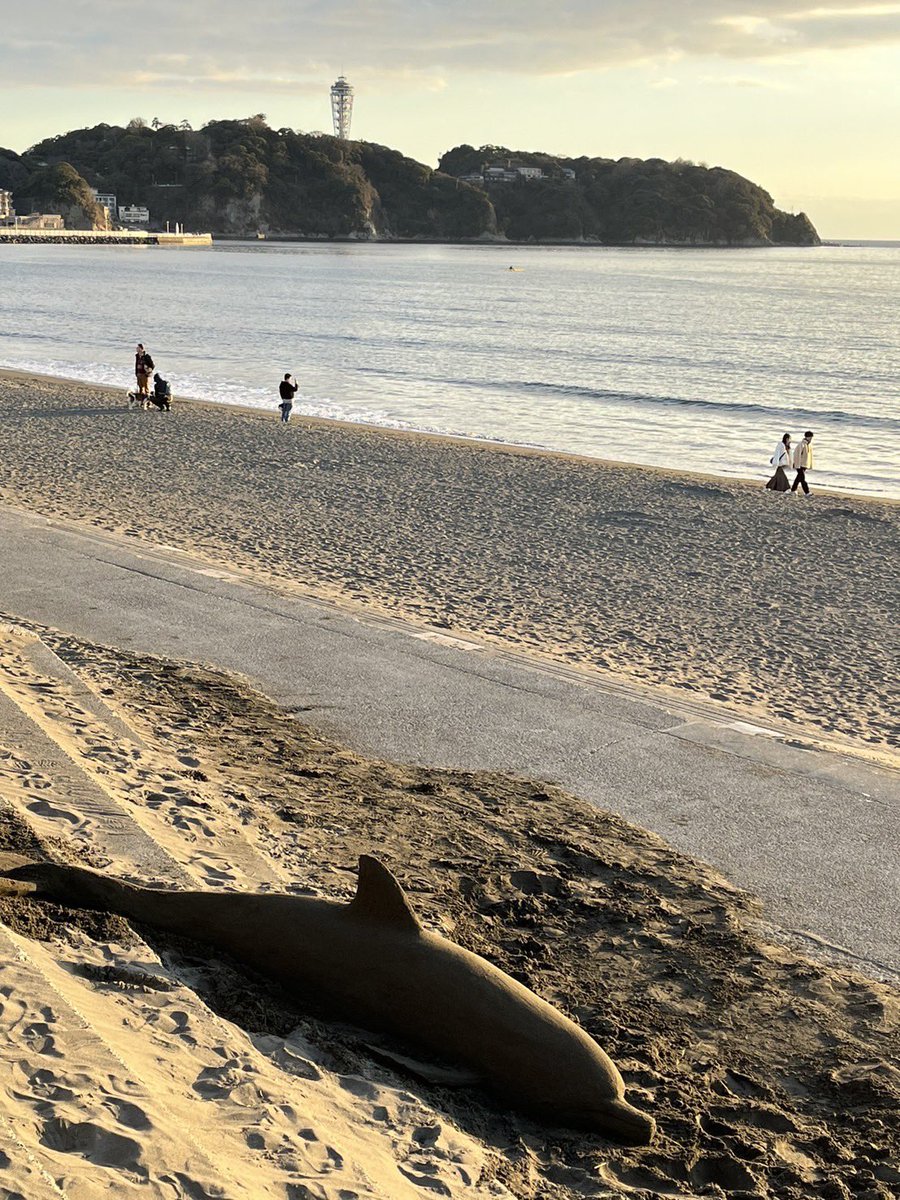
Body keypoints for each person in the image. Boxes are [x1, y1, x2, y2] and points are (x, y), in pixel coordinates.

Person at [791, 431, 814, 495]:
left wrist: (810, 465)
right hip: (799, 464)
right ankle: (807, 492)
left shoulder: (809, 445)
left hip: (805, 465)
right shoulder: (801, 444)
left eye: (811, 437)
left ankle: (793, 490)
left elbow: (809, 456)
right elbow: (796, 454)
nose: (811, 439)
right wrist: (795, 464)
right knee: (802, 479)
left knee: (798, 478)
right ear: (807, 437)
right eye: (810, 437)